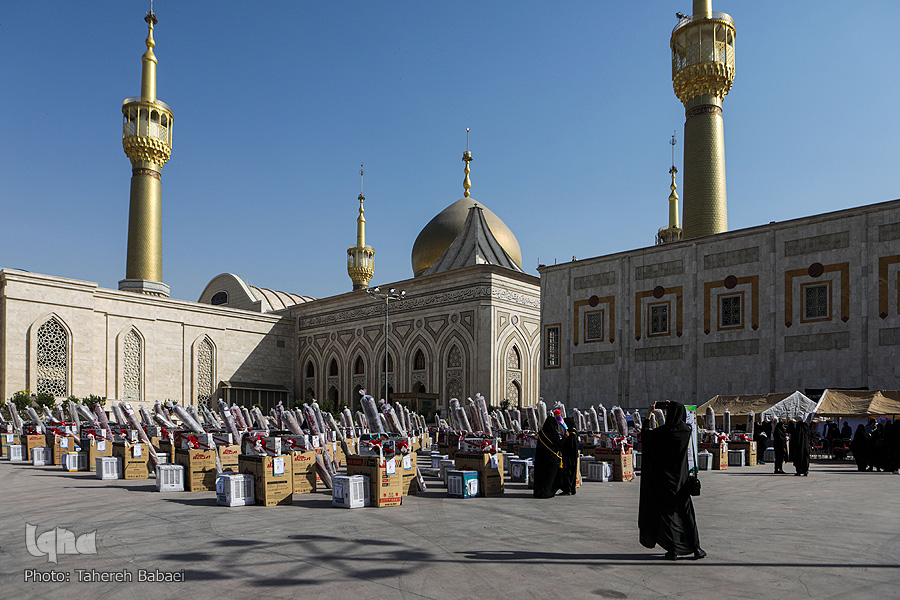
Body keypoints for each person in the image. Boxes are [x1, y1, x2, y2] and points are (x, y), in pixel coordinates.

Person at [639, 400, 705, 561]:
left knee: (668, 516)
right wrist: (675, 405)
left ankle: (673, 550)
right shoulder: (686, 430)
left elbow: (645, 435)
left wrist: (649, 415)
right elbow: (684, 421)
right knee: (687, 515)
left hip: (665, 481)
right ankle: (696, 548)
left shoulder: (663, 433)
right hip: (682, 480)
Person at [533, 410, 564, 498]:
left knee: (540, 476)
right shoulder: (553, 433)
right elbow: (558, 445)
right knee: (549, 477)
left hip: (540, 459)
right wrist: (565, 438)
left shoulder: (542, 433)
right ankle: (547, 492)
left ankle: (538, 492)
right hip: (550, 459)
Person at [558, 416, 579, 495]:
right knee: (572, 472)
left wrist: (565, 438)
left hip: (569, 457)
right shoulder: (574, 431)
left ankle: (568, 489)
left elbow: (570, 445)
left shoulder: (571, 434)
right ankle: (572, 489)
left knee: (568, 472)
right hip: (572, 456)